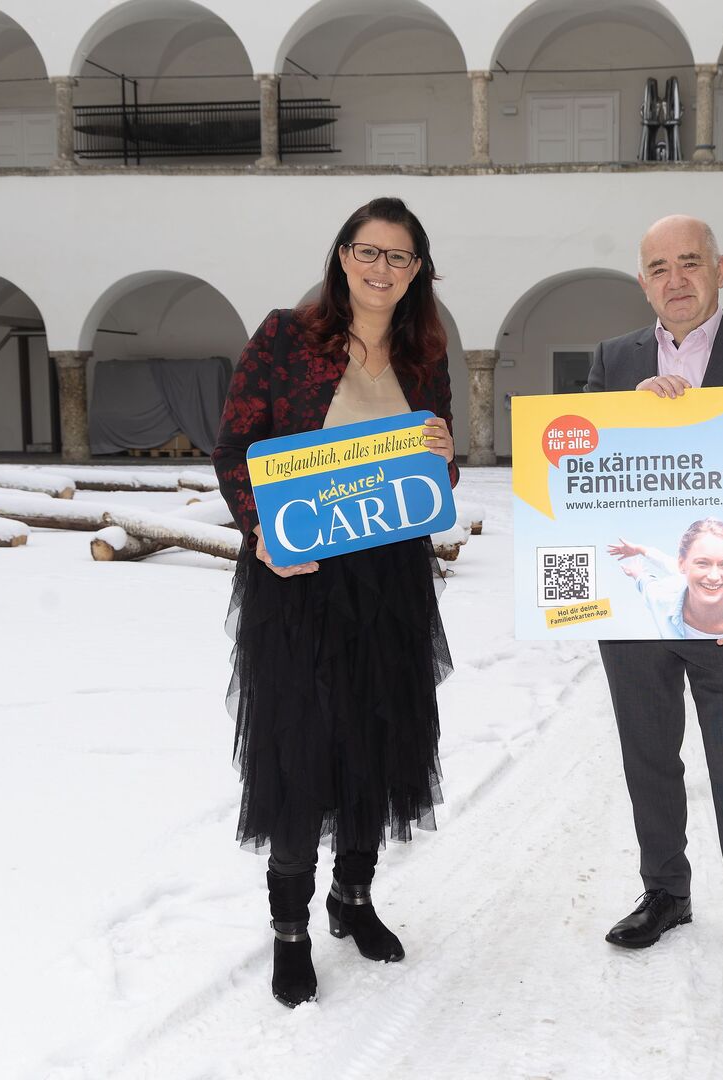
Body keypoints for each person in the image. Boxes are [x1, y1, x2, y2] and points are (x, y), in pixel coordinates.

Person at [212, 196, 458, 1009]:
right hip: (301, 578)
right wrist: (258, 529)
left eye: (399, 256)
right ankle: (290, 930)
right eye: (368, 251)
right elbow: (235, 446)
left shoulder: (424, 353)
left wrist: (445, 453)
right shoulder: (286, 337)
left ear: (417, 270)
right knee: (301, 750)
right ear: (343, 255)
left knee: (377, 738)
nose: (381, 268)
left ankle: (353, 899)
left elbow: (433, 467)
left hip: (389, 579)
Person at [586, 213, 723, 1029]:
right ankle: (666, 893)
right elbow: (575, 465)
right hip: (638, 608)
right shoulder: (612, 362)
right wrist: (627, 413)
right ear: (642, 281)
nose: (674, 280)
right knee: (648, 758)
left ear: (719, 268)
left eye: (689, 263)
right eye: (657, 268)